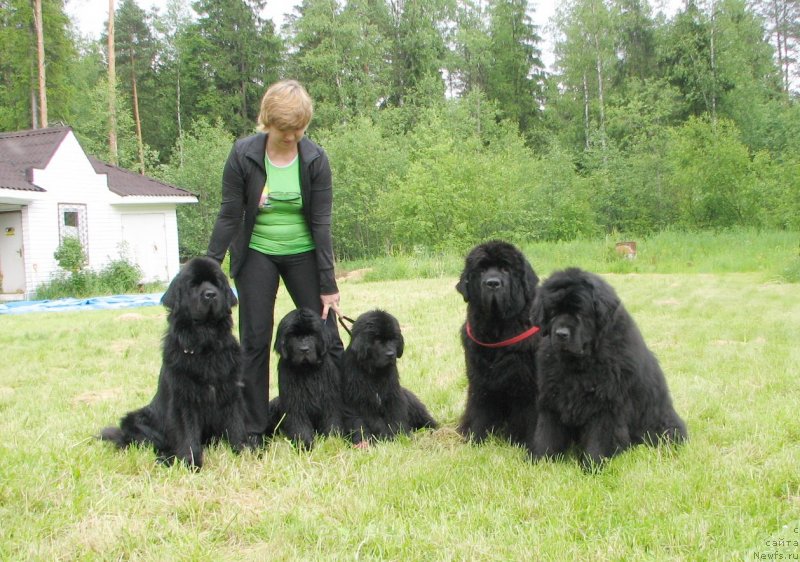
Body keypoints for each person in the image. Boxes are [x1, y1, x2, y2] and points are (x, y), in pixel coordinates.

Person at [207, 79, 343, 437]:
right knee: (254, 340)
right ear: (267, 122)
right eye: (285, 129)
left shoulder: (315, 158)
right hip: (256, 254)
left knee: (328, 335)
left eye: (299, 129)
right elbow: (228, 214)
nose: (292, 136)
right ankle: (253, 429)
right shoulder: (243, 154)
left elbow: (321, 224)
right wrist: (209, 265)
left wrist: (328, 285)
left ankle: (342, 417)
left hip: (304, 253)